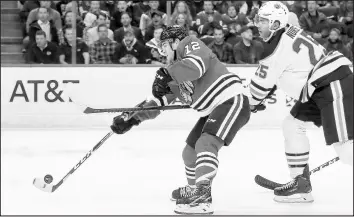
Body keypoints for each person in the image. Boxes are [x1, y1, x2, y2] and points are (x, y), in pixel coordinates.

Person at [109, 25, 251, 214]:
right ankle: (194, 190)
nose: (162, 52)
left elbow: (197, 67)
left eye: (164, 46)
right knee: (189, 153)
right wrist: (131, 117)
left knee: (205, 143)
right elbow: (158, 102)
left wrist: (169, 73)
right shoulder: (174, 71)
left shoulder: (189, 44)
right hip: (213, 109)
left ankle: (202, 196)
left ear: (175, 42)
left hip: (231, 100)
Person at [248, 1, 353, 203]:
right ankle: (300, 185)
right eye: (258, 20)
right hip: (317, 88)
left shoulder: (273, 49)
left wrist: (248, 103)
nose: (257, 25)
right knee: (292, 124)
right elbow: (292, 19)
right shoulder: (290, 30)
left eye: (262, 21)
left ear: (276, 23)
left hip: (332, 84)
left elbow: (257, 90)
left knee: (346, 150)